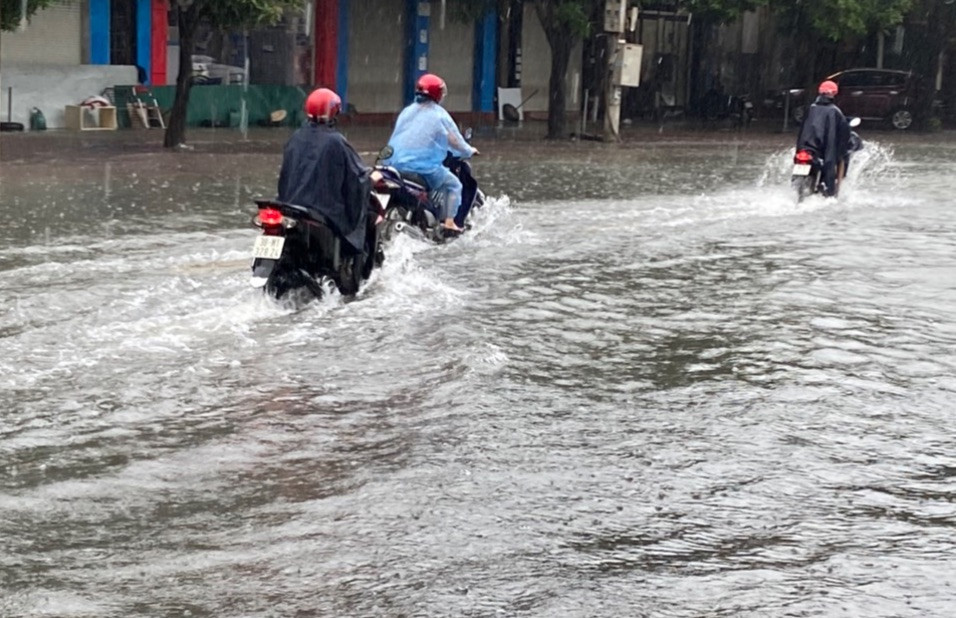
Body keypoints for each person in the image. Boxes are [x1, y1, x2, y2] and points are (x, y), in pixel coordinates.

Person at [277, 88, 372, 253]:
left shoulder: (296, 138)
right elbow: (357, 178)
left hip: (290, 207)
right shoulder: (336, 142)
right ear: (334, 113)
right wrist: (371, 177)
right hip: (322, 211)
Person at [382, 73, 479, 233]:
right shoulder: (439, 114)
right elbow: (454, 140)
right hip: (421, 167)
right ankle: (449, 225)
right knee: (454, 185)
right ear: (438, 94)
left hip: (393, 165)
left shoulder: (407, 112)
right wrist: (468, 150)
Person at [796, 80, 851, 197]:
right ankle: (835, 191)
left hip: (806, 148)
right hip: (824, 150)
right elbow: (843, 134)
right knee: (842, 157)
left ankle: (803, 191)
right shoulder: (835, 111)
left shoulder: (811, 108)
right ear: (834, 93)